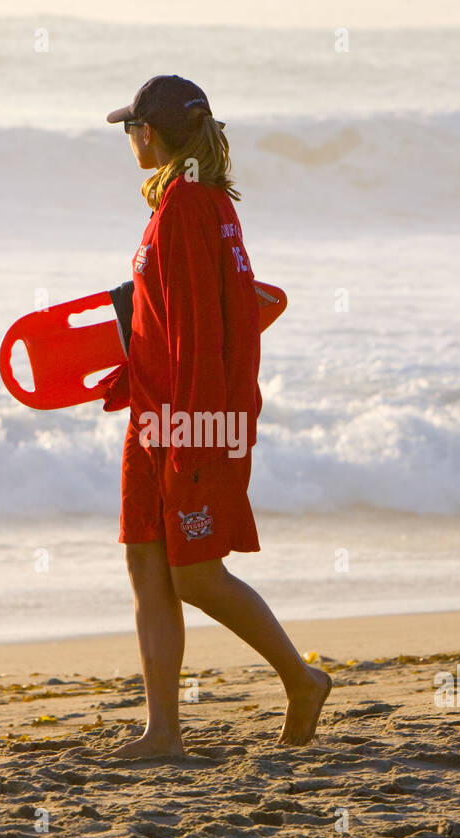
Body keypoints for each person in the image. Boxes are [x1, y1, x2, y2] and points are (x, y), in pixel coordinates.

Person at [101, 75, 331, 759]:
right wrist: (131, 371)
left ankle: (301, 677)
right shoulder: (186, 202)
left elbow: (205, 333)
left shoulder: (190, 209)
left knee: (196, 574)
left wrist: (195, 435)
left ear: (154, 132)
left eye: (132, 127)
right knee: (147, 563)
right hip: (155, 414)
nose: (130, 139)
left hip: (189, 424)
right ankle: (163, 731)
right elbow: (182, 318)